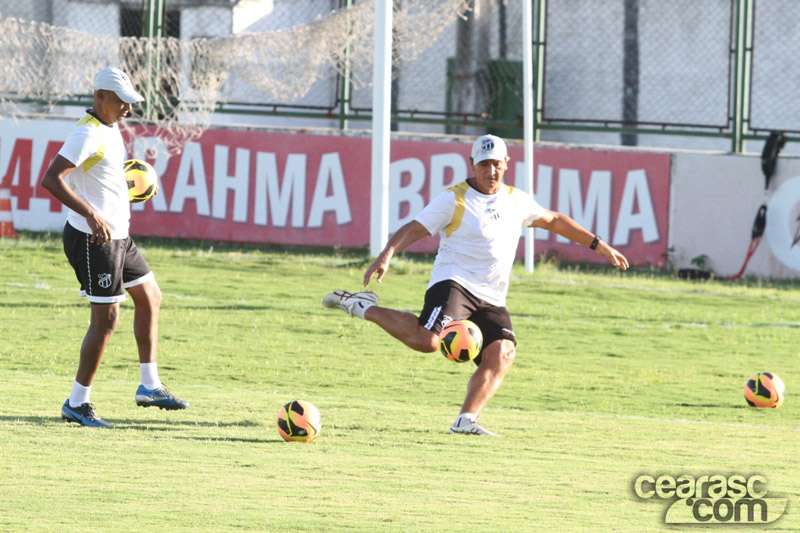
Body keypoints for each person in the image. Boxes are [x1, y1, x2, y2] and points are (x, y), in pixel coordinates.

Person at [323, 134, 628, 436]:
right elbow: (415, 228)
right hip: (454, 283)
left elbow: (554, 220)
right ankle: (362, 305)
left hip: (492, 296)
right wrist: (387, 254)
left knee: (503, 353)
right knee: (428, 341)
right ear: (472, 164)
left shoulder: (516, 200)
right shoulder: (453, 199)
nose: (490, 171)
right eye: (484, 165)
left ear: (506, 164)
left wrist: (598, 245)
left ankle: (465, 420)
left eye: (496, 164)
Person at [41, 67, 188, 428]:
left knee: (150, 296)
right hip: (95, 240)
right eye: (121, 101)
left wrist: (124, 194)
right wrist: (91, 214)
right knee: (106, 319)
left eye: (131, 102)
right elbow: (50, 179)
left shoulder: (110, 127)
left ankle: (149, 386)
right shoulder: (85, 133)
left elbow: (99, 177)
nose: (127, 107)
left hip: (119, 235)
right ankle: (77, 403)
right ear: (100, 97)